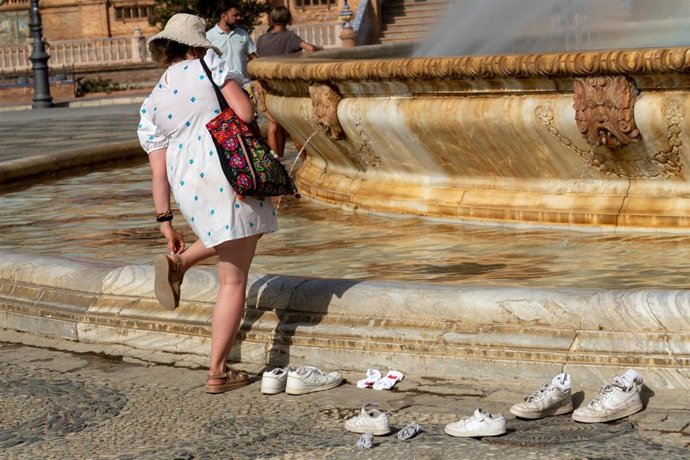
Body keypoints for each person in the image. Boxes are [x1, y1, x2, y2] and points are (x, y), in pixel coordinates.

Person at [137, 13, 278, 395]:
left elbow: (157, 173)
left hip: (188, 182)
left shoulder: (153, 100)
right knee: (232, 279)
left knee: (242, 233)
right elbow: (246, 113)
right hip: (226, 172)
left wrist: (165, 222)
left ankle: (179, 261)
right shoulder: (210, 63)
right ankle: (218, 370)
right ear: (197, 43)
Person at [256, 6, 322, 158]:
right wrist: (320, 48)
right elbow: (310, 48)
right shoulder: (289, 36)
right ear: (289, 19)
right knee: (294, 126)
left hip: (267, 87)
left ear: (271, 20)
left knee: (273, 125)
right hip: (285, 87)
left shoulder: (261, 39)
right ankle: (305, 161)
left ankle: (277, 161)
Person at [206, 1, 256, 89]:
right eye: (235, 15)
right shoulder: (209, 37)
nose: (239, 17)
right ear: (223, 17)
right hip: (223, 88)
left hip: (245, 86)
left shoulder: (243, 33)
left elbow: (253, 58)